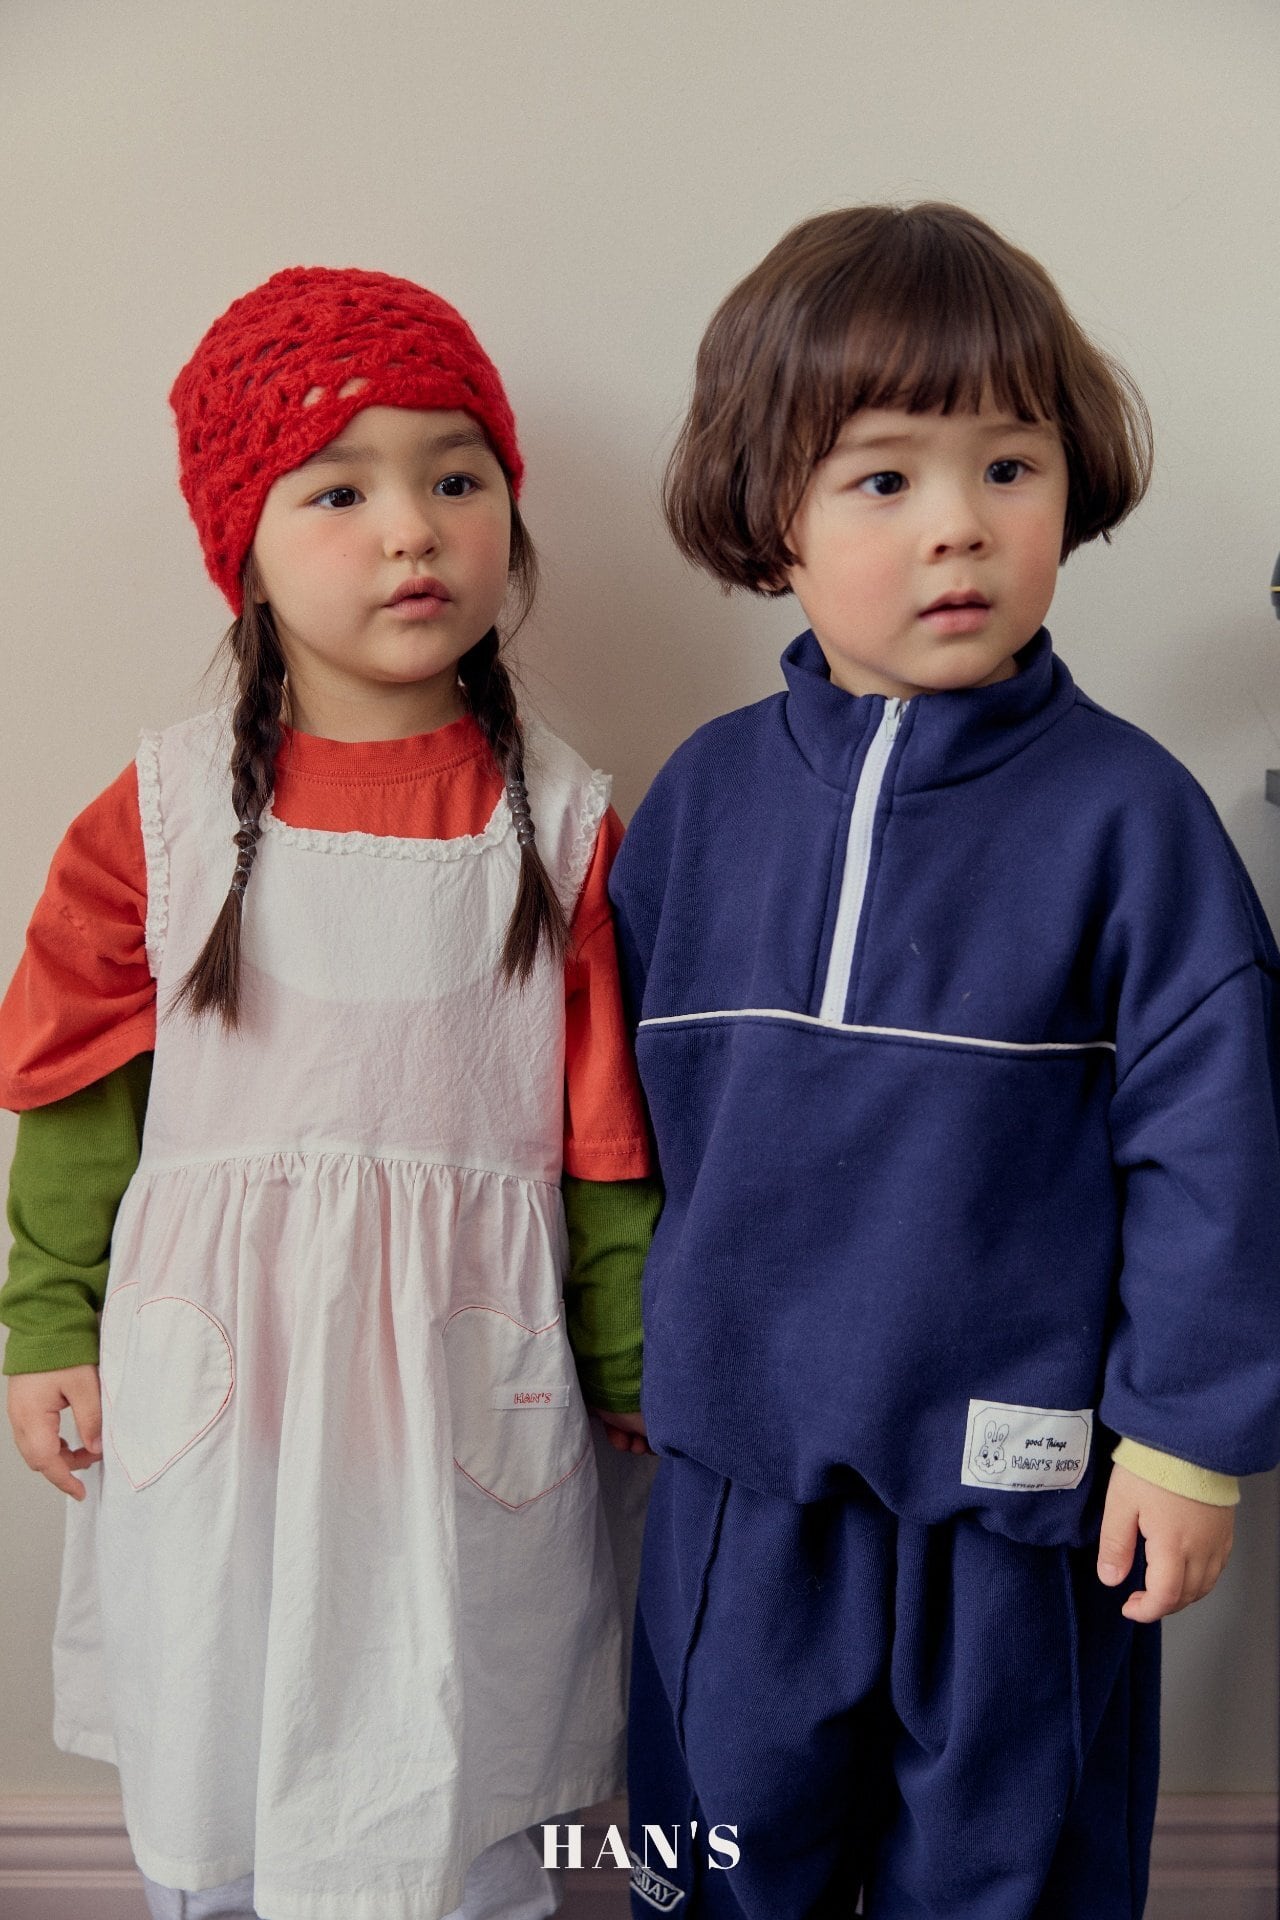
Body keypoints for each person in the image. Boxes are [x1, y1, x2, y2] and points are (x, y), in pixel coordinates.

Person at [608, 204, 1280, 1919]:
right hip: (741, 1490)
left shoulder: (1136, 823)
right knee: (717, 1859)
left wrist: (1188, 1440)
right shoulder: (698, 805)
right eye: (886, 477)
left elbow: (1219, 1152)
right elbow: (610, 1123)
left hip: (1024, 1515)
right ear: (773, 512)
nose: (960, 523)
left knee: (1010, 1877)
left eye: (1009, 465)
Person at [0, 266, 658, 1920]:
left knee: (463, 1731)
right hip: (227, 1396)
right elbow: (77, 1096)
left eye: (458, 478)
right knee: (223, 1725)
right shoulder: (155, 821)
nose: (413, 531)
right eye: (340, 492)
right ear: (245, 547)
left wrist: (637, 1358)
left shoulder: (567, 826)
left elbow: (604, 1145)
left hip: (467, 1394)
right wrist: (46, 1317)